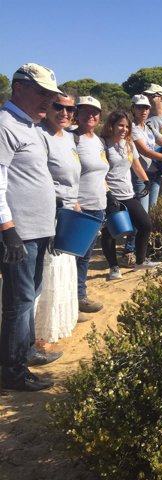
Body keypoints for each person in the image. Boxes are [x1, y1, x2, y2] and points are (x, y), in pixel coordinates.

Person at [0, 63, 61, 391]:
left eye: (51, 96)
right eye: (42, 93)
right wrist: (7, 227)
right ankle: (12, 371)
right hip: (19, 230)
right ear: (18, 88)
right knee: (19, 300)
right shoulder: (5, 125)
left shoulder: (31, 127)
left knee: (30, 294)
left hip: (38, 229)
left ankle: (21, 354)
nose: (47, 101)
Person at [35, 93, 83, 350]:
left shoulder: (68, 138)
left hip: (68, 213)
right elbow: (39, 177)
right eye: (59, 107)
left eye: (70, 108)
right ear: (48, 107)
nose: (65, 113)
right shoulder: (40, 135)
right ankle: (37, 333)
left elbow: (70, 176)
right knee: (47, 271)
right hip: (49, 213)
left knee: (64, 268)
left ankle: (58, 324)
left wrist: (74, 201)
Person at [100, 111, 160, 279]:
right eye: (120, 125)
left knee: (145, 225)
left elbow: (136, 165)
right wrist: (107, 193)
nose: (124, 129)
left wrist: (146, 181)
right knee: (111, 231)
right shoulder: (103, 144)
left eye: (127, 126)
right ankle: (113, 267)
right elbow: (99, 172)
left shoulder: (129, 144)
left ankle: (140, 261)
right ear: (111, 125)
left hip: (128, 193)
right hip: (110, 194)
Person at [122, 94, 162, 266]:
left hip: (153, 175)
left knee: (150, 215)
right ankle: (129, 251)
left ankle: (143, 252)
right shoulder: (132, 129)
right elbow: (145, 151)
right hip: (141, 176)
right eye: (139, 107)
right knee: (141, 216)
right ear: (133, 108)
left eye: (146, 107)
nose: (144, 110)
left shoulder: (147, 127)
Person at [74, 96, 109, 314]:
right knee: (74, 257)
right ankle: (74, 299)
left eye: (95, 112)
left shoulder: (98, 141)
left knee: (85, 256)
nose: (91, 116)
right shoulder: (71, 139)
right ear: (76, 114)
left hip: (98, 205)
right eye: (85, 111)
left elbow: (100, 171)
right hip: (79, 208)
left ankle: (80, 296)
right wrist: (74, 202)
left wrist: (108, 194)